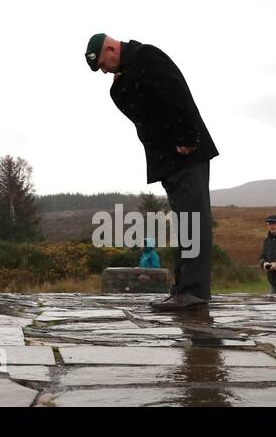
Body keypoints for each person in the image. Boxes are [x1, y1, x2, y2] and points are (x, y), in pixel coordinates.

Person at [86, 33, 219, 310]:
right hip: (167, 159)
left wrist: (187, 137)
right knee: (185, 225)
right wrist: (122, 84)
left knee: (195, 222)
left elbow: (178, 93)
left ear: (111, 48)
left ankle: (193, 291)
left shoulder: (147, 56)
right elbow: (138, 112)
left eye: (102, 64)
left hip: (186, 151)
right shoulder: (124, 80)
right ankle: (184, 289)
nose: (104, 71)